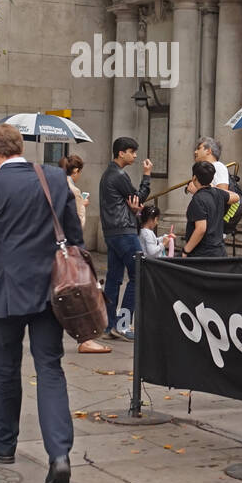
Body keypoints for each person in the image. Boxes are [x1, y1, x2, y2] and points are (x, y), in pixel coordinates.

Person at [0, 123, 79, 483]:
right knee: (50, 367)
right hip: (52, 288)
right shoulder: (55, 178)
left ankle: (4, 445)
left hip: (8, 289)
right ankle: (59, 455)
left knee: (5, 366)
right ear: (20, 147)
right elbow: (74, 235)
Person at [98, 136, 152, 339]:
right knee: (139, 274)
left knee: (113, 278)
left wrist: (134, 206)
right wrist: (147, 176)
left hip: (112, 232)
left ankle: (108, 326)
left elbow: (131, 201)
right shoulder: (118, 175)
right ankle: (122, 325)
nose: (135, 155)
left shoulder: (108, 174)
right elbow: (139, 197)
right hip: (124, 232)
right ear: (121, 153)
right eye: (132, 151)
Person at [63, 153, 109, 355]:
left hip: (57, 250)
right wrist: (82, 206)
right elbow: (78, 224)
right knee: (81, 292)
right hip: (72, 249)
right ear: (75, 171)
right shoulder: (73, 190)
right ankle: (86, 338)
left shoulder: (55, 187)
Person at [180, 161, 227, 258]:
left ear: (194, 178)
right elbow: (236, 197)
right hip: (220, 252)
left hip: (203, 255)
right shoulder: (219, 194)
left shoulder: (198, 200)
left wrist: (186, 250)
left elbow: (201, 229)